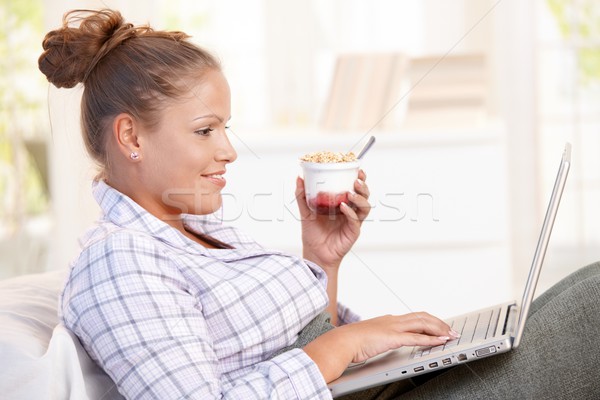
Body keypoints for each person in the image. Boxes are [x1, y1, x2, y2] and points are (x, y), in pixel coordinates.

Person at [38, 9, 600, 400]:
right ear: (131, 138)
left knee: (582, 291)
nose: (229, 151)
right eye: (206, 130)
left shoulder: (197, 233)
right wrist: (347, 341)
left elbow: (298, 343)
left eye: (225, 129)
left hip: (369, 389)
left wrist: (323, 260)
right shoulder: (119, 263)